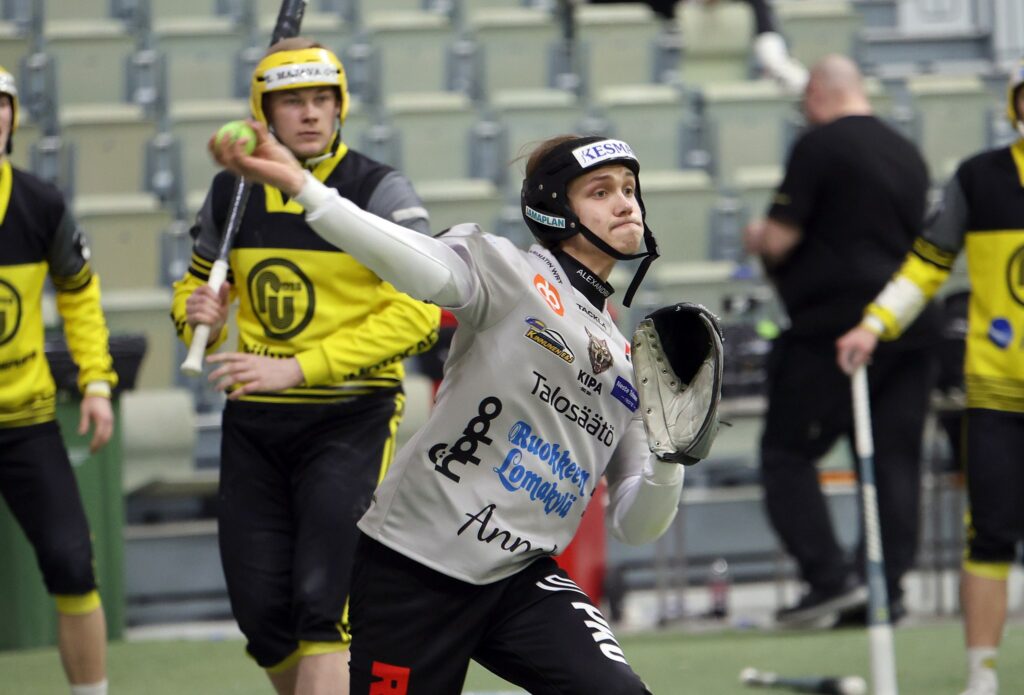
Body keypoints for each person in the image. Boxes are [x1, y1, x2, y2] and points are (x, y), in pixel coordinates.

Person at [211, 123, 724, 694]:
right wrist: (306, 189)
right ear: (556, 210)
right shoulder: (507, 269)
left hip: (520, 577)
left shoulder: (632, 367)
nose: (626, 204)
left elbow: (635, 525)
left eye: (629, 189)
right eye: (600, 192)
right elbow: (412, 262)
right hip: (413, 563)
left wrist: (671, 460)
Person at [170, 39, 440, 695]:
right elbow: (197, 288)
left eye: (323, 99)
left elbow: (421, 313)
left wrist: (300, 368)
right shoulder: (231, 192)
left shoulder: (379, 189)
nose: (312, 114)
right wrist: (199, 312)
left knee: (324, 608)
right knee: (264, 621)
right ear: (265, 112)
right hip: (253, 423)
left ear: (341, 105)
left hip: (353, 417)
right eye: (294, 101)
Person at [836, 62, 1024, 695]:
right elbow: (925, 266)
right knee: (988, 536)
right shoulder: (980, 179)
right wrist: (874, 325)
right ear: (1014, 105)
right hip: (996, 396)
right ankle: (981, 673)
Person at [742, 54, 942, 628]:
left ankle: (829, 580)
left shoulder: (818, 145)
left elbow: (781, 238)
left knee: (786, 453)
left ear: (816, 94)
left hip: (832, 327)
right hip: (905, 324)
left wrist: (757, 237)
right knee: (894, 459)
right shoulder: (906, 150)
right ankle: (884, 588)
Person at [0, 66, 116, 695]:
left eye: (1, 105)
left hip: (27, 422)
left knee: (73, 563)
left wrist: (96, 382)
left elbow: (79, 294)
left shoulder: (40, 203)